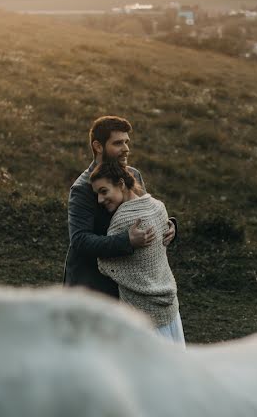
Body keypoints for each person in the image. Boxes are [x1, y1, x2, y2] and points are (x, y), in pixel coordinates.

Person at [63, 116, 176, 298]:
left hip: (128, 285)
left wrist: (169, 226)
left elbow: (144, 212)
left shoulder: (134, 175)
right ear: (98, 146)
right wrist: (127, 241)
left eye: (126, 142)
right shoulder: (82, 188)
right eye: (118, 143)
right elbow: (80, 240)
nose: (126, 149)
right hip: (92, 288)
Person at [91, 159, 184, 346]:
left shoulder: (122, 219)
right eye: (97, 194)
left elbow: (104, 264)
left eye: (104, 191)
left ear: (121, 184)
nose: (100, 200)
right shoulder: (158, 206)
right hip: (170, 305)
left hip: (142, 313)